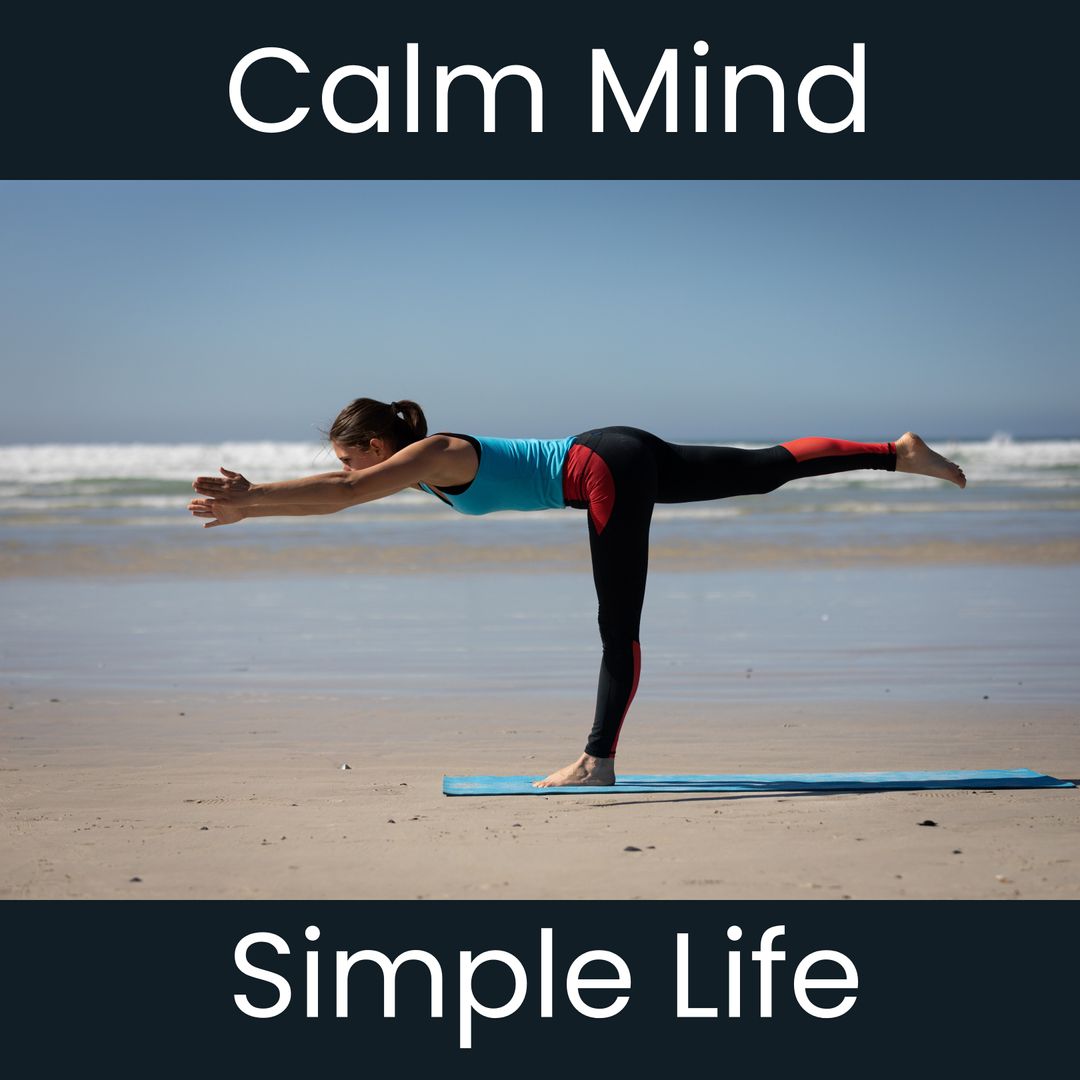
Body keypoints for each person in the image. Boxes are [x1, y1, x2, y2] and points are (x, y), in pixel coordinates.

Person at [189, 398, 966, 787]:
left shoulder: (430, 451)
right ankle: (893, 453)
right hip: (613, 453)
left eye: (353, 457)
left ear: (376, 446)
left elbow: (339, 496)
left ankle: (598, 760)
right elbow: (340, 490)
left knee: (615, 623)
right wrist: (254, 500)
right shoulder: (424, 461)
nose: (354, 470)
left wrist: (252, 498)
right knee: (763, 470)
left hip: (602, 467)